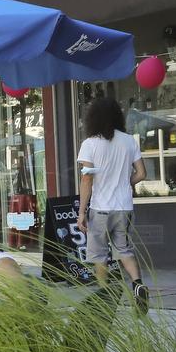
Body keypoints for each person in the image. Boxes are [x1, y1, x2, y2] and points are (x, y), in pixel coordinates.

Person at [75, 97, 148, 314]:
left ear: (93, 118)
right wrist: (126, 183)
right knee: (123, 249)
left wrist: (81, 211)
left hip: (101, 208)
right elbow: (142, 173)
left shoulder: (89, 144)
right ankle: (138, 284)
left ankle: (102, 299)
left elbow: (87, 180)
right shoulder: (128, 141)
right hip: (124, 207)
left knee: (99, 255)